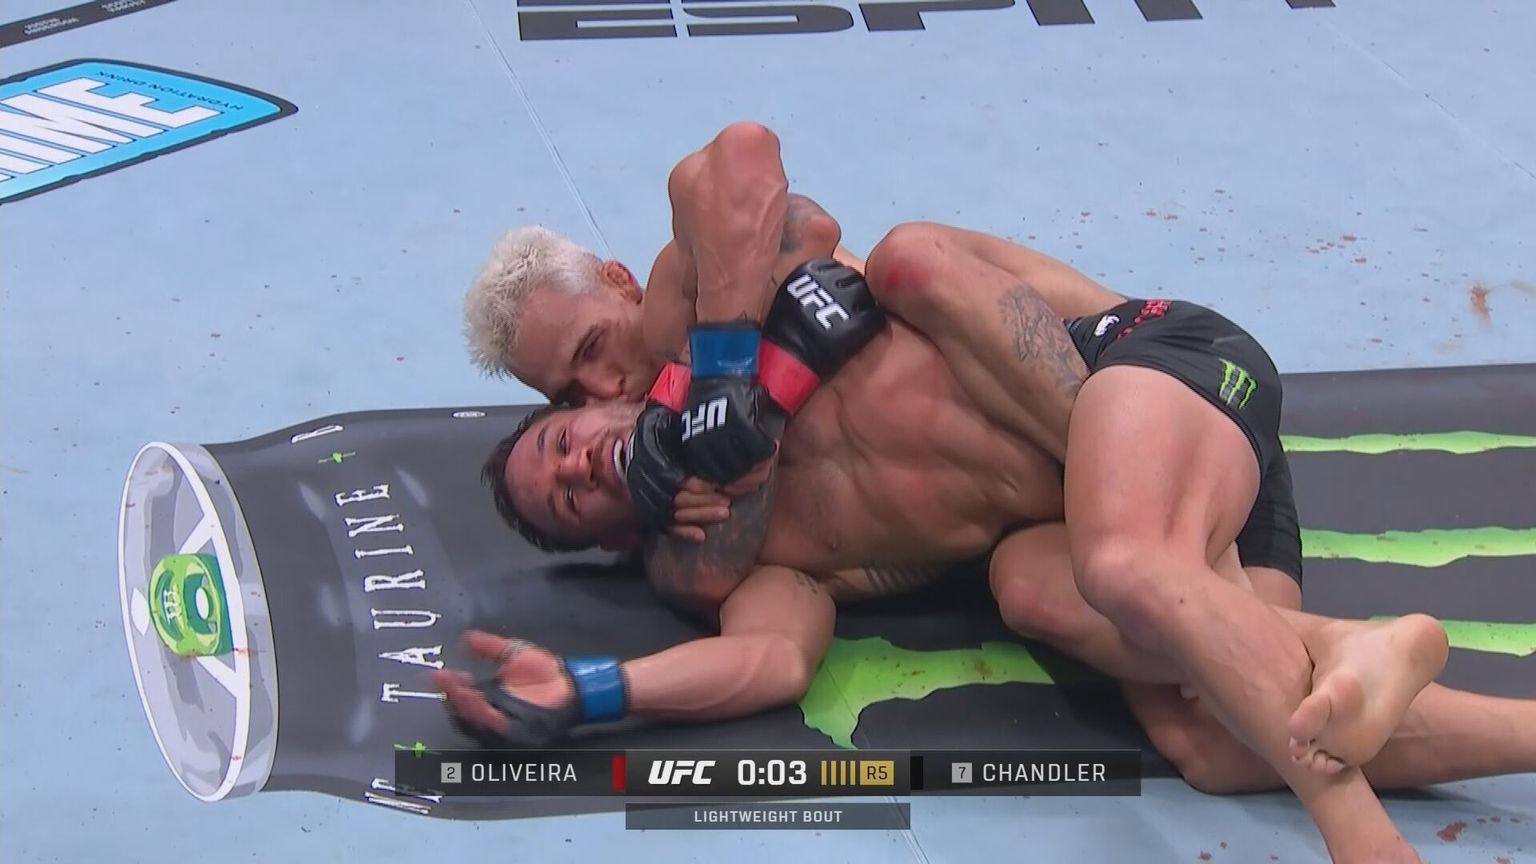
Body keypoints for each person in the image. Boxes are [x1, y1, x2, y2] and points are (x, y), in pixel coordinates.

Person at [452, 122, 1442, 860]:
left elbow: (754, 171)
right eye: (568, 396)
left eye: (593, 356)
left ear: (620, 283)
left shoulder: (714, 291)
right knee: (1207, 733)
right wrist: (589, 691)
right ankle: (1400, 674)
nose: (603, 390)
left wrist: (723, 376)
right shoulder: (711, 551)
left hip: (1158, 382)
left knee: (913, 258)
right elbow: (768, 657)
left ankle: (1350, 809)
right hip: (1162, 513)